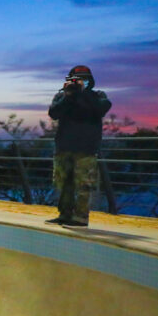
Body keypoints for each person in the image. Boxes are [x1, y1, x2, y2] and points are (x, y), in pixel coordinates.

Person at [46, 65, 112, 227]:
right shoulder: (63, 96)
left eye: (84, 79)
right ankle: (65, 214)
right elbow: (54, 113)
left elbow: (100, 109)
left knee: (84, 184)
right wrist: (69, 96)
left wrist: (84, 94)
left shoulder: (98, 96)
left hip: (86, 148)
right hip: (64, 146)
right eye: (76, 79)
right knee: (63, 183)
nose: (80, 82)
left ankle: (81, 217)